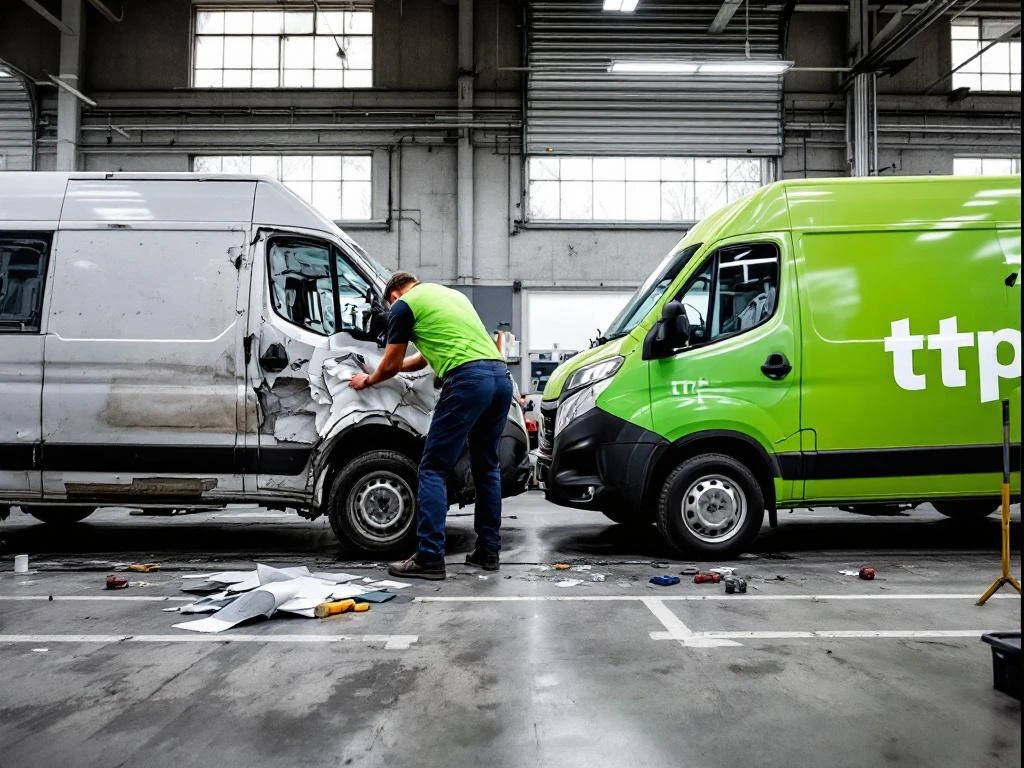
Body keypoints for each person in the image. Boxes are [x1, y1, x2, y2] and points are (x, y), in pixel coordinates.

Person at [349, 271, 513, 580]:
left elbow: (392, 362)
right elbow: (421, 360)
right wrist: (390, 370)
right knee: (486, 467)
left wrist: (368, 379)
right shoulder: (450, 297)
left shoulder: (402, 306)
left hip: (467, 381)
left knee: (433, 468)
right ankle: (488, 551)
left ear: (393, 296)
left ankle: (429, 557)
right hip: (499, 378)